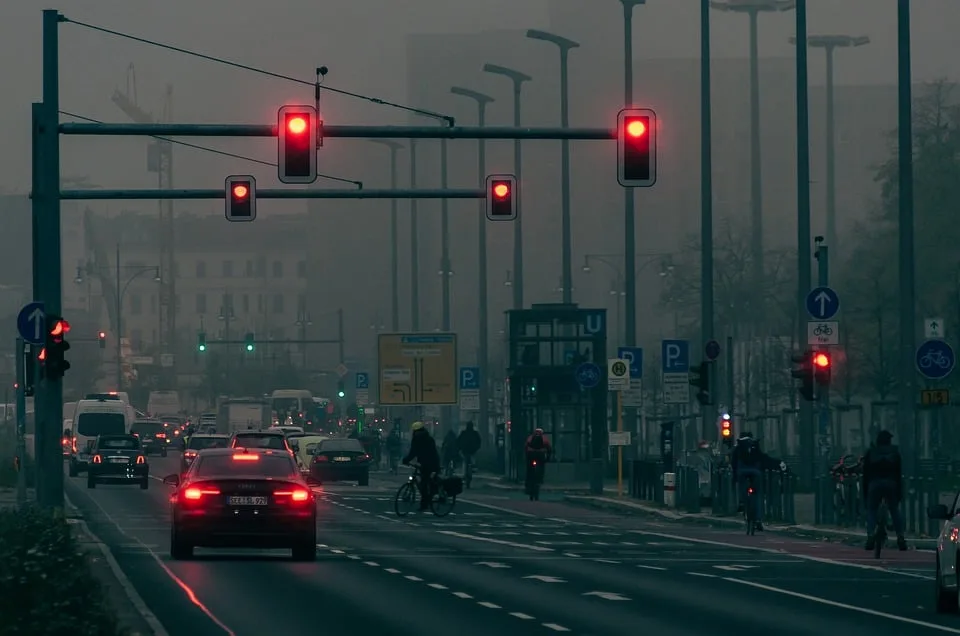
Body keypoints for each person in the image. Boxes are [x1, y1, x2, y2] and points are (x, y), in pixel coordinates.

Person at [862, 430, 907, 551]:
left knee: (871, 509)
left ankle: (870, 535)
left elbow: (865, 474)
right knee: (894, 510)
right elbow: (898, 474)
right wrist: (899, 493)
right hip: (891, 484)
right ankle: (900, 537)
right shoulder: (895, 453)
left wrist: (865, 492)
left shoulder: (871, 452)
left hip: (874, 484)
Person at [402, 421, 441, 512]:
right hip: (431, 462)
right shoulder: (429, 438)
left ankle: (425, 504)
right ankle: (429, 497)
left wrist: (406, 460)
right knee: (426, 481)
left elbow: (413, 452)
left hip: (428, 463)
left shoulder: (417, 439)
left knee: (424, 483)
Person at [730, 431, 765, 531]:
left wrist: (734, 476)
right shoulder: (755, 445)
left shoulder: (738, 447)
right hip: (755, 472)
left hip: (742, 471)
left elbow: (734, 463)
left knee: (742, 487)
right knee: (757, 494)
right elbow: (761, 459)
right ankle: (758, 519)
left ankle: (741, 502)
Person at [457, 422, 482, 487]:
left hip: (465, 451)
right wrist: (477, 448)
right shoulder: (475, 433)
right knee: (472, 461)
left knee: (465, 462)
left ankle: (465, 474)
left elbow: (458, 441)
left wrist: (459, 448)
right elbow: (479, 441)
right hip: (472, 451)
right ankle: (473, 468)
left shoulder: (463, 433)